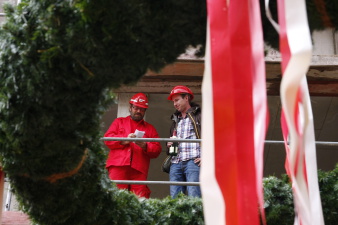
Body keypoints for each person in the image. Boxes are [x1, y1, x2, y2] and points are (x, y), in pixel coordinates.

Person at [104, 93, 162, 198]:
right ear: (130, 107)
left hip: (139, 169)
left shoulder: (150, 128)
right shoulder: (118, 122)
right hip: (118, 166)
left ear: (145, 111)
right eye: (136, 108)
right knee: (115, 197)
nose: (139, 111)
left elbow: (157, 150)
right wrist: (125, 140)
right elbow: (107, 140)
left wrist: (145, 146)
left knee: (140, 200)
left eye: (142, 109)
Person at [167, 85, 201, 198]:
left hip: (193, 161)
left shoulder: (199, 115)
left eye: (177, 100)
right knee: (174, 200)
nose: (175, 104)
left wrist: (207, 157)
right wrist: (169, 145)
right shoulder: (175, 120)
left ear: (186, 98)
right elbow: (169, 144)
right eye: (173, 101)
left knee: (194, 198)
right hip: (175, 162)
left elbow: (212, 136)